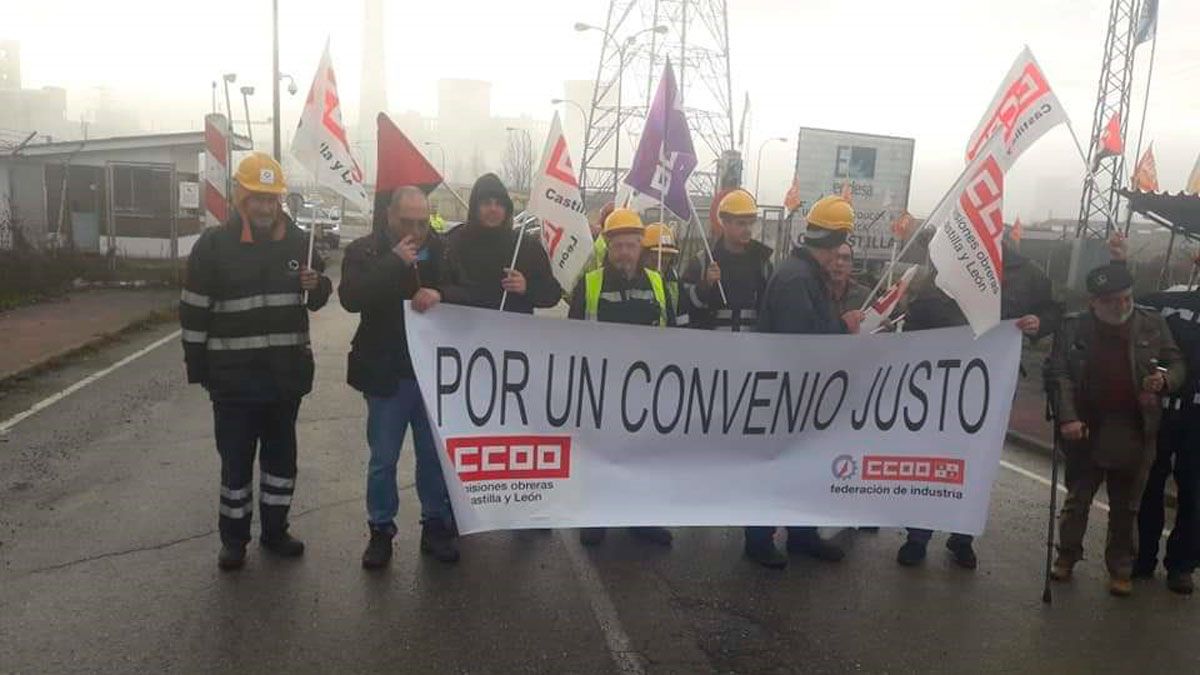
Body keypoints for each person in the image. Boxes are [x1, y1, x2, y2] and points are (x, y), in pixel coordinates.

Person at [179, 153, 332, 571]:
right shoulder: (213, 246)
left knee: (282, 462)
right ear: (240, 197)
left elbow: (320, 296)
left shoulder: (301, 242)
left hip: (285, 381)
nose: (265, 207)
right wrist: (199, 370)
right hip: (233, 383)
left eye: (271, 199)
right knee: (236, 464)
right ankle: (234, 540)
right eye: (256, 198)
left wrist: (316, 285)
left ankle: (276, 531)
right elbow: (193, 311)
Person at [895, 238, 1058, 570]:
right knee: (932, 460)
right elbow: (917, 318)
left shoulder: (1028, 273)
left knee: (976, 462)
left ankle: (962, 534)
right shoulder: (947, 265)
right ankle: (917, 536)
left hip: (992, 386)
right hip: (940, 384)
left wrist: (1040, 323)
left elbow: (1053, 309)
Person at [1046, 262, 1185, 597]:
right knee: (1077, 501)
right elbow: (1060, 374)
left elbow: (1177, 362)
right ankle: (1066, 556)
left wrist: (1165, 379)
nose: (1121, 306)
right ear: (1094, 302)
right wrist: (1067, 417)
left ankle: (1121, 567)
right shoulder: (1074, 327)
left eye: (1126, 298)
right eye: (1111, 301)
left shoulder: (1152, 323)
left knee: (1127, 507)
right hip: (1086, 428)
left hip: (1135, 429)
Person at [339, 186, 458, 569]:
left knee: (432, 458)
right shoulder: (365, 251)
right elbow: (351, 297)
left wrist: (440, 291)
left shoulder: (441, 249)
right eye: (408, 222)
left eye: (423, 222)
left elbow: (466, 290)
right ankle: (380, 530)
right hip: (386, 372)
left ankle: (434, 525)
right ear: (390, 216)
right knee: (384, 459)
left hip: (431, 374)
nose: (417, 229)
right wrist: (394, 261)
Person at [750, 195, 864, 569]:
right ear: (834, 241)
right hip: (785, 393)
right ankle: (758, 539)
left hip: (801, 393)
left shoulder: (804, 274)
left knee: (803, 465)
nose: (840, 258)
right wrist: (842, 327)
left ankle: (801, 533)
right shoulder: (798, 279)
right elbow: (800, 341)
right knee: (777, 466)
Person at [568, 207, 675, 547]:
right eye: (618, 246)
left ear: (641, 247)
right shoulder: (590, 284)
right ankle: (595, 517)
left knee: (643, 458)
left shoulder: (658, 283)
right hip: (602, 387)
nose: (625, 253)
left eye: (631, 246)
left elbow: (674, 335)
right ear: (608, 248)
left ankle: (640, 517)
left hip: (647, 390)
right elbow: (570, 337)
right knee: (599, 455)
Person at [1109, 236, 1200, 594]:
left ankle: (1182, 566)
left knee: (1194, 493)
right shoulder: (1170, 302)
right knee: (1147, 485)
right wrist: (1119, 263)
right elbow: (1124, 303)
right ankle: (1141, 557)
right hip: (1161, 411)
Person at [440, 173, 562, 312]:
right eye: (486, 203)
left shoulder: (525, 246)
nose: (493, 209)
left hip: (513, 330)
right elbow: (440, 285)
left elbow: (553, 294)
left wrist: (527, 287)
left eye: (499, 204)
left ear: (507, 208)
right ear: (475, 207)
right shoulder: (454, 242)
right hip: (464, 327)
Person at [681, 188, 774, 332]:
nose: (748, 229)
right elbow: (683, 304)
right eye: (741, 223)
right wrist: (705, 285)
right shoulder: (703, 261)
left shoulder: (762, 262)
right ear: (724, 223)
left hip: (751, 346)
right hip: (712, 346)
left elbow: (772, 307)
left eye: (751, 223)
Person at [641, 221, 683, 322]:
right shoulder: (635, 279)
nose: (663, 259)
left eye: (667, 254)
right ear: (643, 254)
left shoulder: (674, 280)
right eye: (658, 254)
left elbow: (682, 316)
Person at [829, 242, 870, 317]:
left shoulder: (864, 296)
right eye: (834, 257)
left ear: (851, 265)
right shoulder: (811, 292)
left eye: (845, 258)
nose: (839, 263)